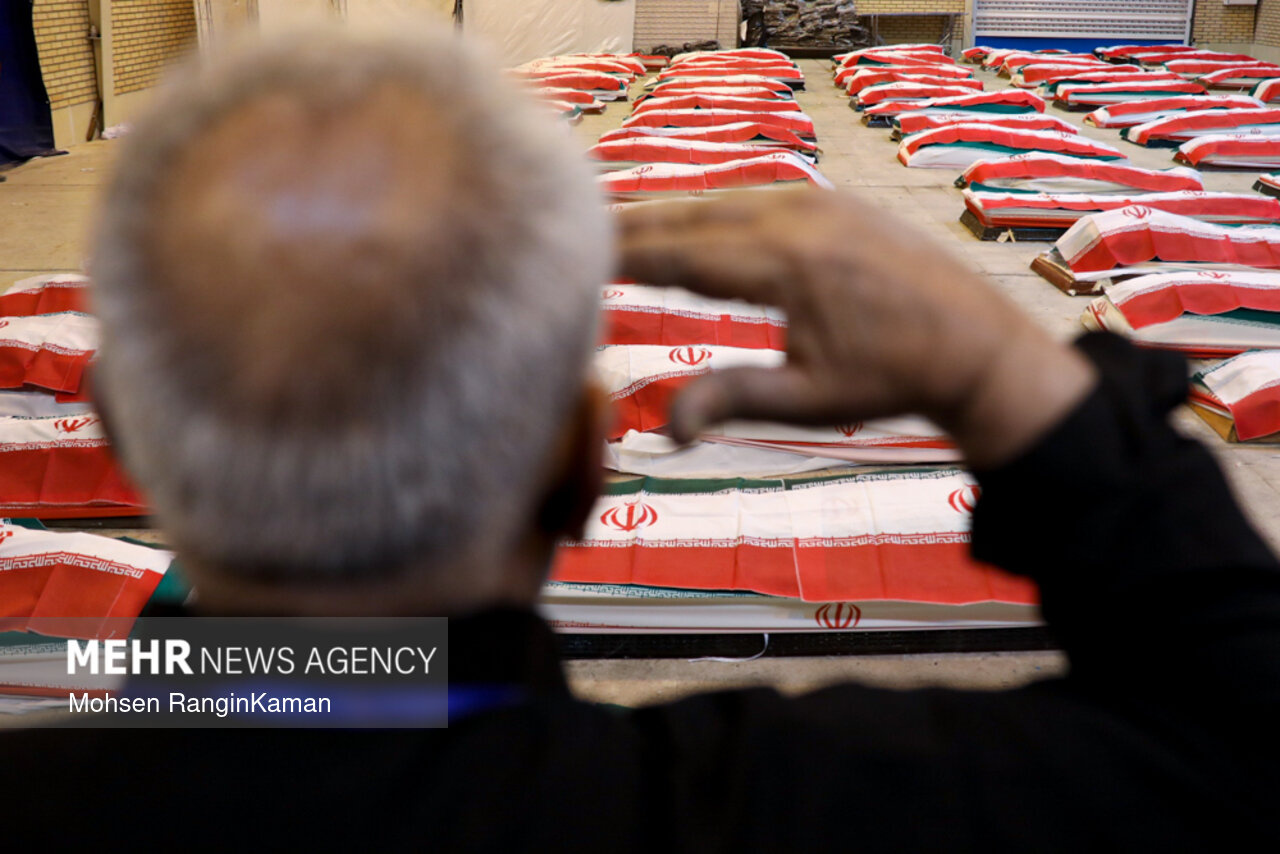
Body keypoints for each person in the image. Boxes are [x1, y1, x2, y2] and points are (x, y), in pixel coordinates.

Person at [4, 24, 1278, 850]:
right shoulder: (790, 809)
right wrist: (1007, 375)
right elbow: (1238, 731)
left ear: (117, 422)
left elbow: (313, 695)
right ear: (578, 455)